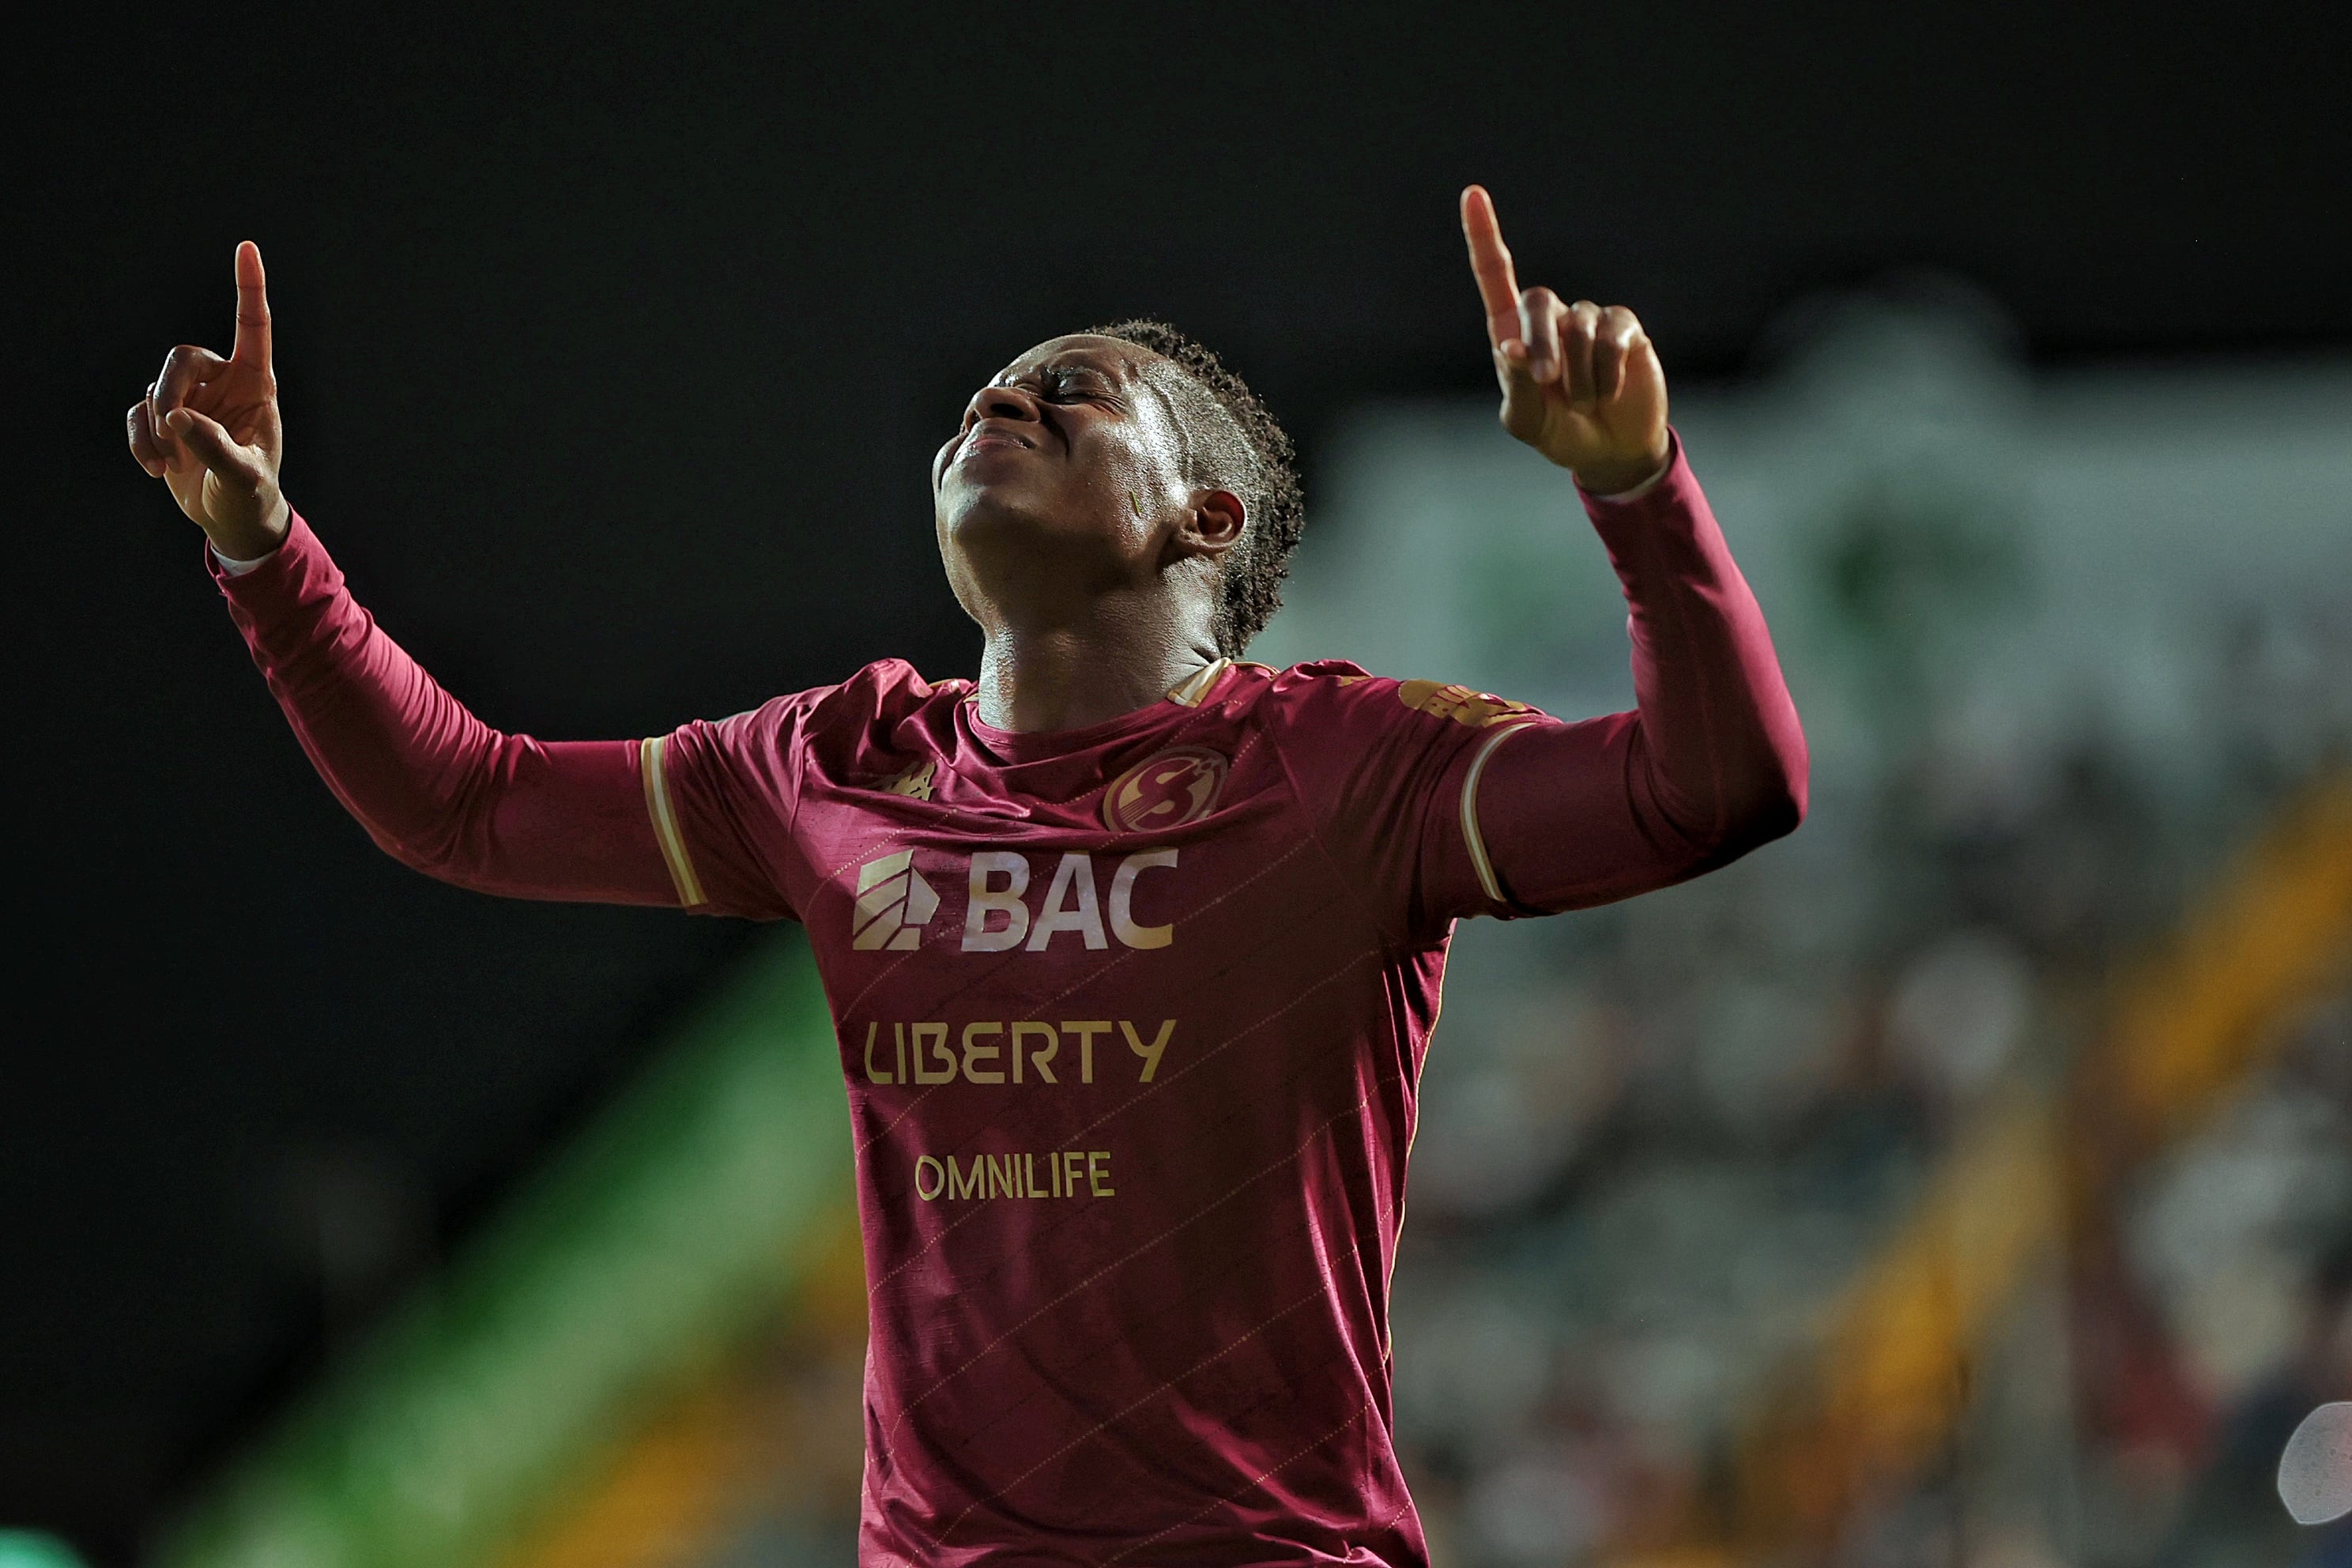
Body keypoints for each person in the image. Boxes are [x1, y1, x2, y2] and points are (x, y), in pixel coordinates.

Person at [127, 186, 1806, 1566]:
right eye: (983, 396)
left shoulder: (1347, 772)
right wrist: (263, 548)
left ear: (1205, 517)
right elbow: (467, 804)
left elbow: (1717, 787)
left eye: (1070, 391)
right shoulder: (837, 766)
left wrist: (1633, 482)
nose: (999, 402)